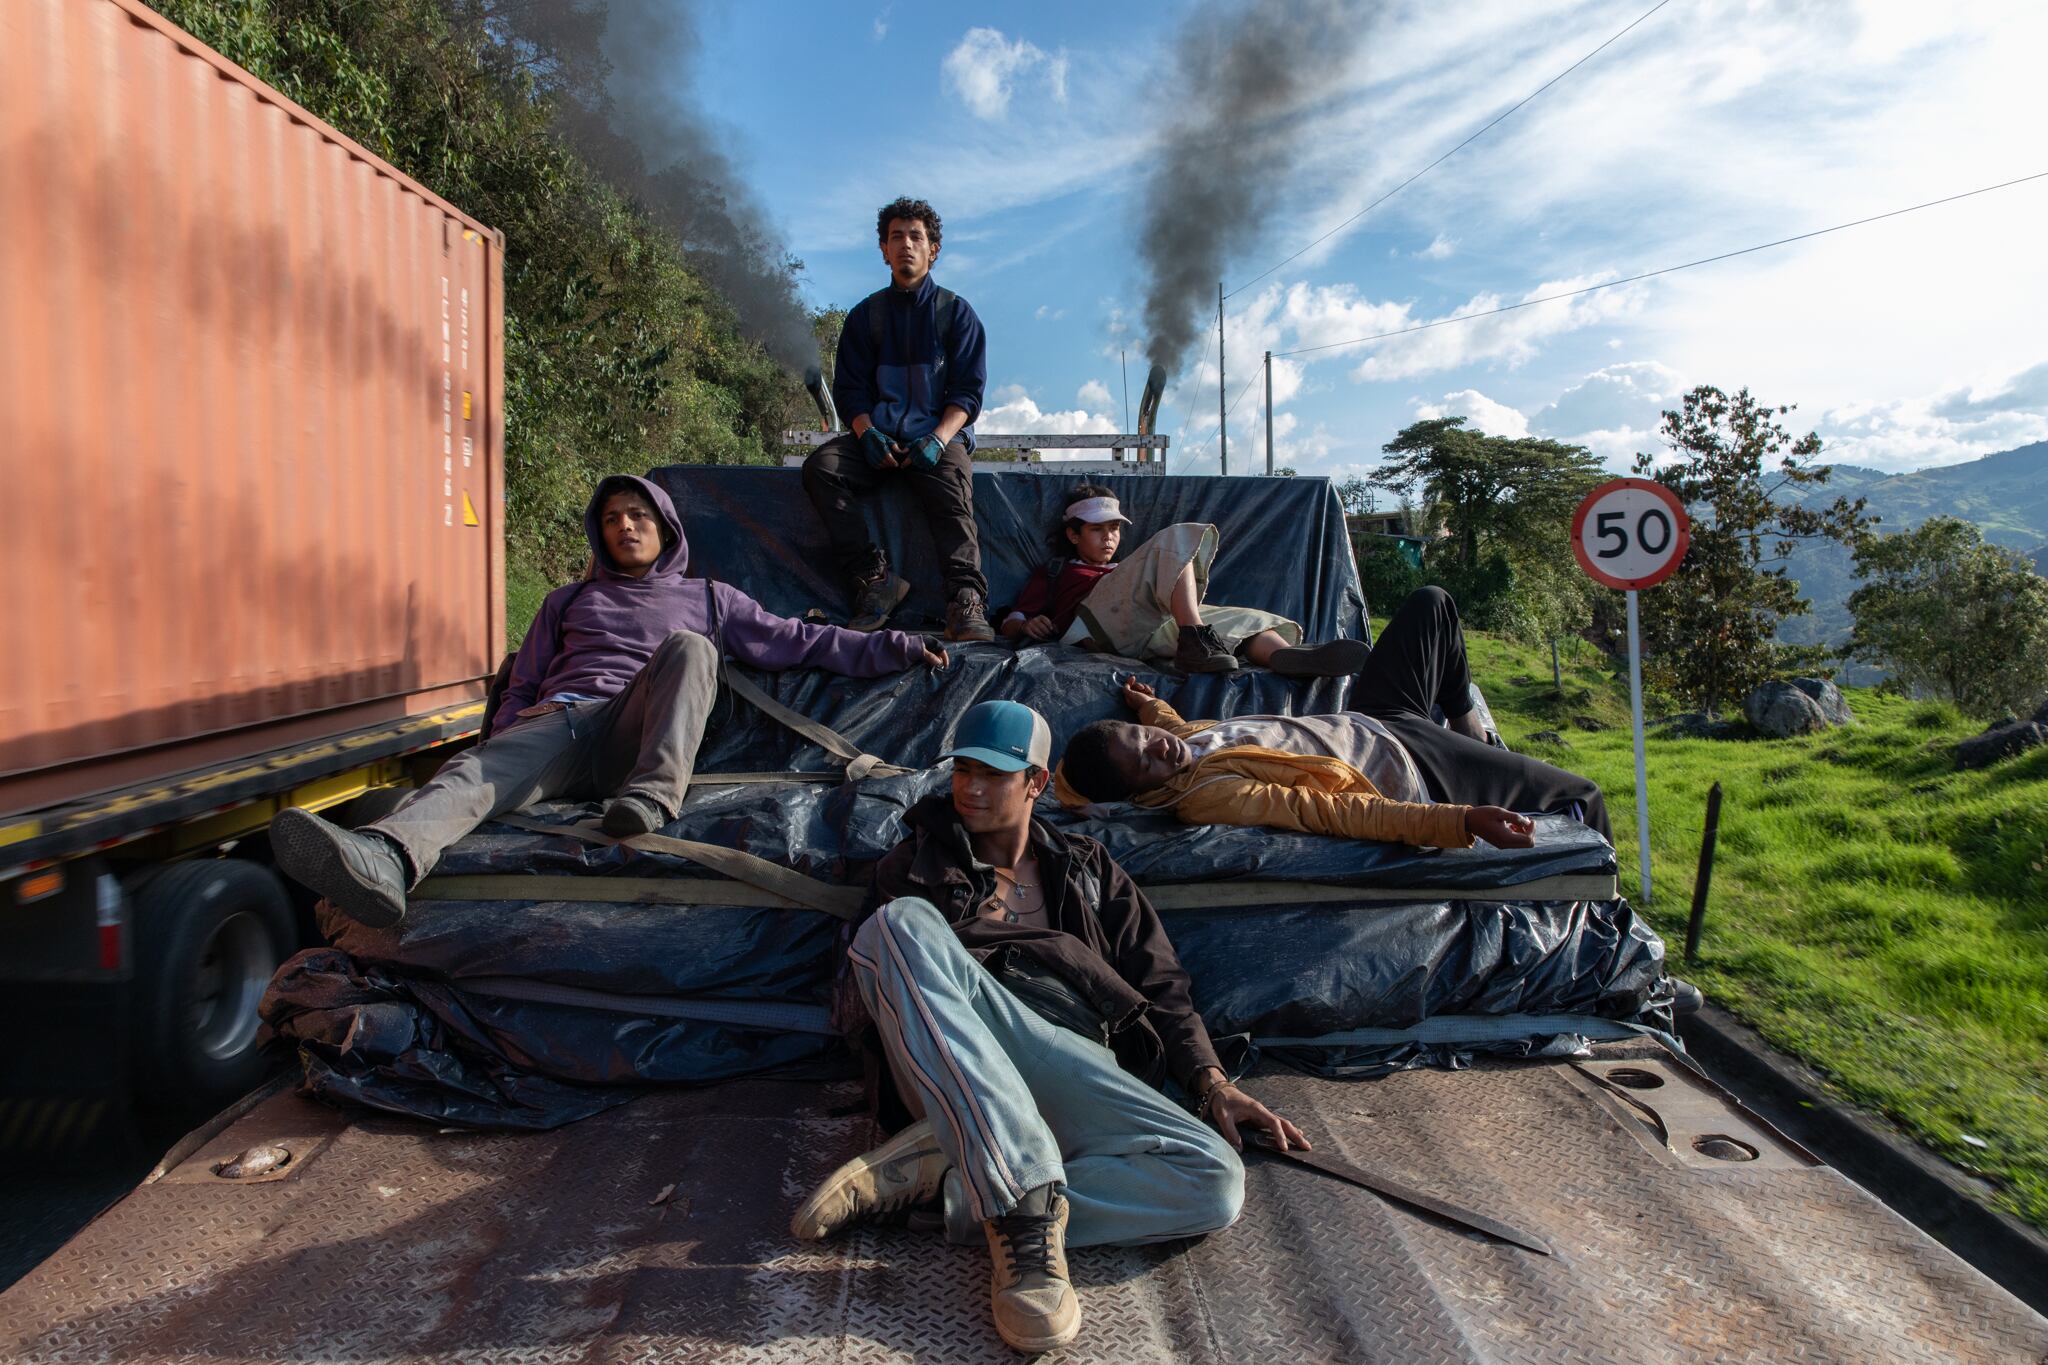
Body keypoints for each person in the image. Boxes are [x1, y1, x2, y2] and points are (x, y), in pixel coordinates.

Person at [791, 700, 1306, 1354]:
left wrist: (1211, 1082)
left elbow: (1162, 984)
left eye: (994, 773)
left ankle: (948, 1180)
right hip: (964, 1065)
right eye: (963, 770)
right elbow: (891, 988)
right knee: (895, 929)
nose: (971, 787)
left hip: (1070, 1059)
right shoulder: (915, 864)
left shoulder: (1090, 869)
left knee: (1215, 1180)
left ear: (1035, 781)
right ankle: (1023, 1216)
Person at [269, 474, 947, 929]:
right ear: (599, 533)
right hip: (559, 728)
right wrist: (504, 741)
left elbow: (800, 640)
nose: (626, 526)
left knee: (692, 649)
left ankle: (652, 799)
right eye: (614, 518)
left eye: (639, 515)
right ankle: (385, 860)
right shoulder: (566, 601)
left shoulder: (710, 598)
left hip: (636, 732)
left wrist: (896, 646)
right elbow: (525, 683)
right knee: (469, 774)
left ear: (666, 527)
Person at [1054, 586, 1612, 848]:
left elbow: (1175, 732)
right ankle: (1617, 930)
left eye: (1143, 738)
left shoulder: (1179, 744)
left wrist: (1145, 705)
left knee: (1432, 603)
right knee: (1583, 795)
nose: (1161, 749)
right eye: (1146, 763)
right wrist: (1458, 820)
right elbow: (1335, 813)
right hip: (1413, 763)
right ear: (1141, 794)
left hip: (1373, 717)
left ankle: (1472, 728)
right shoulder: (1205, 796)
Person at [803, 196, 993, 642]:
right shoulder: (865, 317)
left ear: (933, 250)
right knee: (821, 469)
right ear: (884, 251)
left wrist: (941, 438)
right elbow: (850, 390)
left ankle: (965, 602)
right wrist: (866, 435)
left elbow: (968, 391)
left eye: (916, 236)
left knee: (953, 492)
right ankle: (874, 580)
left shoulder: (956, 314)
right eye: (896, 237)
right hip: (878, 440)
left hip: (937, 439)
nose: (906, 244)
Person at [999, 484, 1370, 676]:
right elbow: (1012, 618)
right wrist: (1026, 625)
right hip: (1095, 628)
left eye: (1114, 529)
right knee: (1176, 542)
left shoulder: (1126, 568)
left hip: (1148, 631)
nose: (1109, 537)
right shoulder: (1058, 571)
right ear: (1074, 535)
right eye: (1097, 530)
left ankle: (1285, 658)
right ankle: (1195, 639)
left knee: (1245, 620)